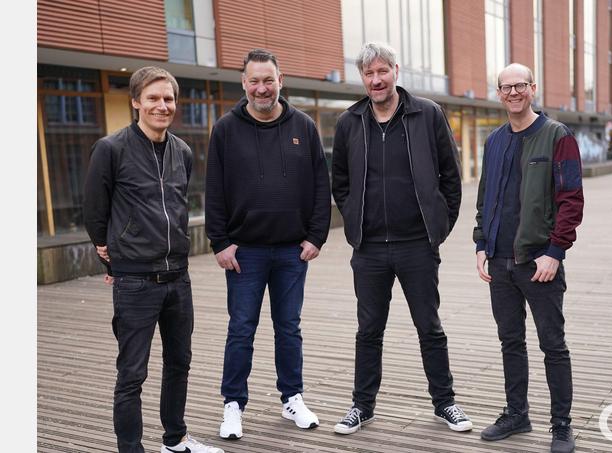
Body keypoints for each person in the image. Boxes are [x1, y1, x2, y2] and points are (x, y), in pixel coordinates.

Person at [330, 41, 471, 435]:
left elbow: (451, 176)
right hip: (370, 248)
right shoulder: (349, 122)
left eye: (382, 71)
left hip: (417, 246)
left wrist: (438, 227)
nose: (376, 80)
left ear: (396, 70)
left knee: (429, 327)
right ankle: (362, 406)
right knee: (368, 330)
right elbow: (339, 181)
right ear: (362, 78)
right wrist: (355, 219)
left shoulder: (427, 114)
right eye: (369, 74)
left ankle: (445, 403)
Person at [83, 66, 223, 453]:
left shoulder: (182, 151)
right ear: (135, 103)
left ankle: (175, 441)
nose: (162, 106)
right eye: (153, 98)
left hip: (178, 278)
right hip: (135, 282)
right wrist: (109, 255)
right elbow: (95, 211)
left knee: (180, 363)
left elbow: (177, 207)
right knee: (132, 373)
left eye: (168, 99)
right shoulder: (111, 149)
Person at [205, 49, 332, 439]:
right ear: (244, 84)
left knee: (288, 327)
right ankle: (233, 405)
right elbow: (213, 190)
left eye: (269, 80)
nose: (262, 88)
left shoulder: (304, 126)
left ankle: (292, 397)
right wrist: (220, 242)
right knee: (241, 328)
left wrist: (316, 236)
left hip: (293, 251)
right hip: (245, 252)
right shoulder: (226, 129)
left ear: (281, 80)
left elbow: (320, 186)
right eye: (254, 81)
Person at [473, 63, 583, 452]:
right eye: (506, 87)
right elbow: (487, 196)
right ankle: (516, 414)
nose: (514, 92)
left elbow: (571, 201)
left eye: (521, 85)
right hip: (500, 261)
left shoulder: (557, 136)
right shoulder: (495, 141)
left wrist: (555, 252)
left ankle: (562, 426)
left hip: (539, 262)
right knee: (510, 341)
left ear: (533, 88)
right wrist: (480, 243)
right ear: (499, 94)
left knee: (553, 345)